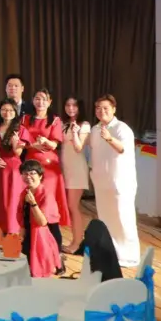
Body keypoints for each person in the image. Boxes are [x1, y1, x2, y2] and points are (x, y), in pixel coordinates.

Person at [19, 88, 70, 265]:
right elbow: (22, 143)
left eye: (43, 99)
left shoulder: (54, 120)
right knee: (29, 204)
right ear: (33, 100)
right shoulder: (25, 119)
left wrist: (45, 142)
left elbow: (55, 145)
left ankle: (55, 252)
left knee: (48, 208)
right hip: (30, 165)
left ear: (49, 102)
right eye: (37, 98)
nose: (40, 102)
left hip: (49, 169)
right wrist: (33, 145)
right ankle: (33, 249)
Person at [88, 95, 140, 267]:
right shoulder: (95, 129)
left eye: (105, 108)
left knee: (123, 219)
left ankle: (130, 256)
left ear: (114, 109)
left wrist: (109, 138)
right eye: (98, 108)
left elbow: (122, 149)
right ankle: (112, 254)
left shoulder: (122, 129)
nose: (101, 111)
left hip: (120, 183)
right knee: (106, 219)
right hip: (102, 182)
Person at [18, 160, 60, 278]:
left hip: (44, 237)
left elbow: (42, 222)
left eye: (32, 173)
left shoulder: (46, 194)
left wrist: (33, 203)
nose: (28, 176)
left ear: (40, 176)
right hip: (30, 235)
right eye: (25, 173)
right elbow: (21, 215)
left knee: (43, 272)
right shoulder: (25, 192)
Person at [0, 100, 25, 235]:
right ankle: (0, 230)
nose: (7, 113)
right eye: (4, 109)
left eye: (10, 110)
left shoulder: (20, 129)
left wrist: (15, 144)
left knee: (13, 200)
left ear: (15, 112)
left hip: (14, 169)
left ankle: (13, 230)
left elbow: (19, 153)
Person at [61, 97, 92, 252]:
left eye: (74, 105)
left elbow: (79, 148)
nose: (71, 108)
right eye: (68, 105)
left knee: (73, 206)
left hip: (77, 169)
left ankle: (77, 243)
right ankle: (75, 240)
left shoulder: (84, 125)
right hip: (65, 169)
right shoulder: (64, 124)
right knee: (69, 206)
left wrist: (74, 133)